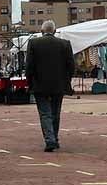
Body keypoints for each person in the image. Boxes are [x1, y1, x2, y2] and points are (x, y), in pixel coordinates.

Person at [26, 20, 74, 151]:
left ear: (42, 31)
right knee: (55, 112)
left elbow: (29, 66)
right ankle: (55, 138)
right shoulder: (65, 44)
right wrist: (66, 81)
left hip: (39, 84)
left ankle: (50, 139)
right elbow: (71, 66)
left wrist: (30, 82)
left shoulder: (33, 43)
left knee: (45, 113)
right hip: (59, 85)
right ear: (54, 31)